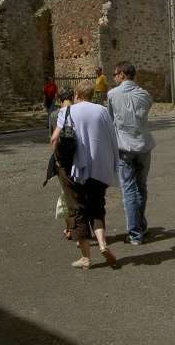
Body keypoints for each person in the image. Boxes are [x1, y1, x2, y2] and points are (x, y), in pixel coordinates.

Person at [51, 80, 119, 270]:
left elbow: (55, 139)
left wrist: (57, 160)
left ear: (76, 95)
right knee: (97, 205)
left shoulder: (67, 111)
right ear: (92, 94)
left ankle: (86, 257)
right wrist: (113, 168)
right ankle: (103, 243)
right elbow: (112, 139)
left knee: (77, 208)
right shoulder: (102, 111)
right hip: (99, 167)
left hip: (75, 168)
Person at [108, 61, 156, 246]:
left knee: (129, 190)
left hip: (125, 147)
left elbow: (111, 120)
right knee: (141, 187)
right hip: (143, 145)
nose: (113, 78)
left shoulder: (112, 95)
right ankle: (140, 224)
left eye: (114, 74)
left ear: (121, 74)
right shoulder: (145, 95)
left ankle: (135, 233)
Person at [48, 90, 74, 240]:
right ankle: (82, 226)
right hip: (78, 157)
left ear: (58, 100)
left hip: (62, 158)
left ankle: (69, 228)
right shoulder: (79, 112)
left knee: (65, 193)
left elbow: (52, 139)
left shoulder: (53, 115)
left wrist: (57, 158)